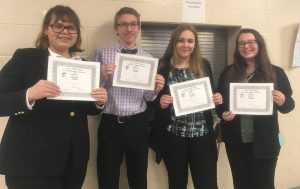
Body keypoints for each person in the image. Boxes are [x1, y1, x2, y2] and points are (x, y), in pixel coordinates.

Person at [0, 5, 107, 189]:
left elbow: (85, 109)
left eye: (71, 27)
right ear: (46, 30)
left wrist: (98, 102)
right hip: (31, 163)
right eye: (58, 26)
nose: (65, 31)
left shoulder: (85, 66)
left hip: (72, 161)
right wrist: (30, 94)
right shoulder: (25, 58)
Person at [94, 7, 165, 189]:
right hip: (110, 123)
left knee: (138, 176)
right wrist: (101, 76)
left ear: (138, 28)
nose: (129, 29)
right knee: (107, 176)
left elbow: (148, 98)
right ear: (116, 29)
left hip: (138, 124)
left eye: (133, 24)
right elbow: (93, 92)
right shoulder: (102, 53)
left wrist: (156, 89)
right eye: (124, 24)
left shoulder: (148, 59)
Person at [216, 28, 295, 188]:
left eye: (251, 42)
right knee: (241, 184)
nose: (246, 46)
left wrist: (283, 100)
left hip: (265, 141)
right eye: (242, 43)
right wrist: (223, 113)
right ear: (237, 47)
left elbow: (288, 106)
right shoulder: (228, 72)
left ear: (259, 44)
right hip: (236, 142)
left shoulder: (275, 73)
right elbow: (221, 105)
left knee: (264, 185)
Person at [150, 24, 222, 189]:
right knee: (177, 183)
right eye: (181, 40)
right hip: (174, 136)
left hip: (203, 135)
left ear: (195, 44)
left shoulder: (203, 64)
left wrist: (217, 98)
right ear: (174, 42)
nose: (186, 45)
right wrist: (159, 102)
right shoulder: (162, 65)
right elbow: (151, 99)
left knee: (207, 184)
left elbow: (211, 93)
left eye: (190, 41)